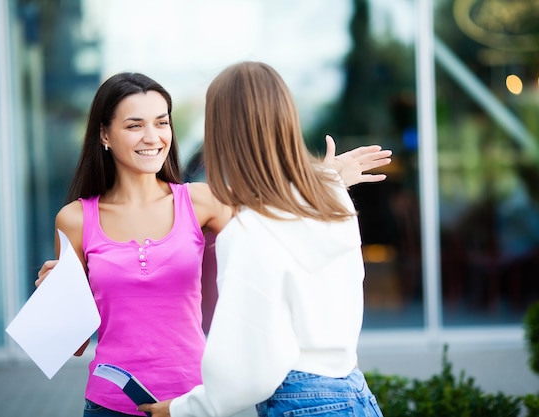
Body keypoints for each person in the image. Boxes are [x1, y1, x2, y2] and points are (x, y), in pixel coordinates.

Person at [36, 71, 391, 417]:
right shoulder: (75, 219)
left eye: (162, 123)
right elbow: (75, 345)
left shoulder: (203, 201)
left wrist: (323, 182)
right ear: (105, 134)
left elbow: (280, 225)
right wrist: (58, 296)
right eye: (134, 125)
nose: (152, 137)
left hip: (189, 398)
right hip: (109, 404)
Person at [138, 61, 385, 417]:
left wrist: (182, 409)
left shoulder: (248, 229)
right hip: (354, 395)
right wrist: (327, 176)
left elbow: (246, 371)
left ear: (222, 132)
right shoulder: (332, 201)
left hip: (296, 402)